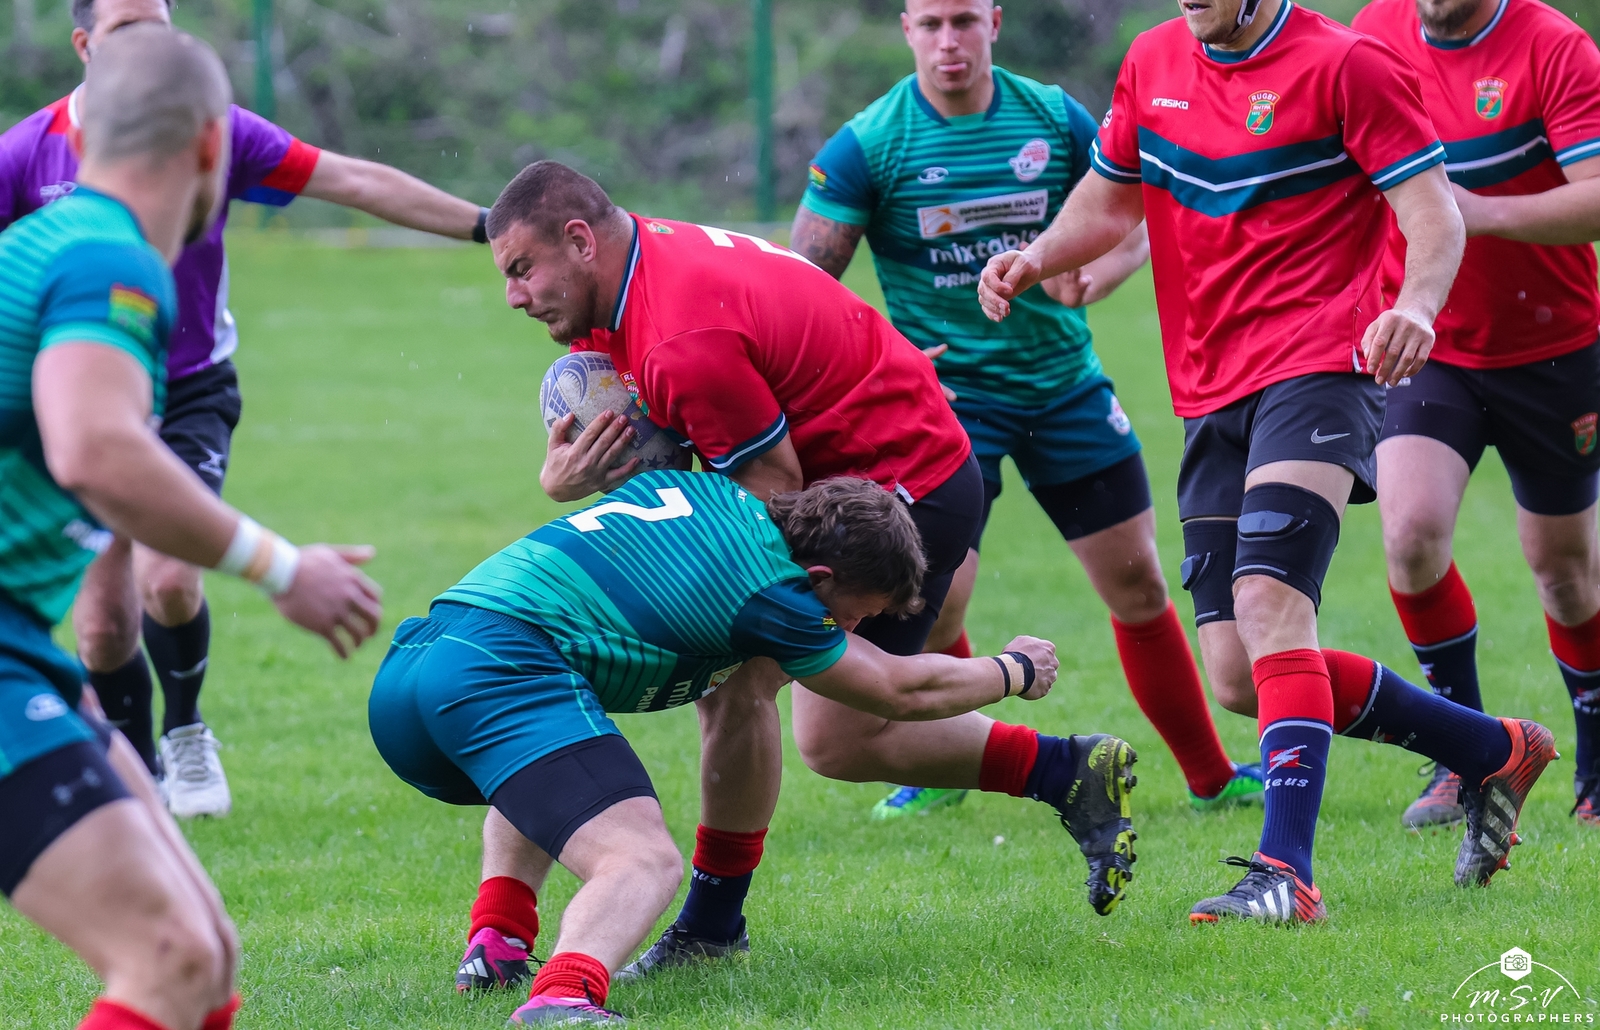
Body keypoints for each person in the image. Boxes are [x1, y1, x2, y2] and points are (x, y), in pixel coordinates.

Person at [472, 160, 1140, 985]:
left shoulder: (679, 339)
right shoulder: (624, 286)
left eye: (522, 268)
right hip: (867, 473)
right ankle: (1067, 771)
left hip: (901, 490)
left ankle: (712, 927)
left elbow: (769, 486)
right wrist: (580, 478)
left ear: (580, 240)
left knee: (757, 692)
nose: (514, 295)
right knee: (829, 732)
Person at [977, 0, 1557, 922]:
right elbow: (1111, 196)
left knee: (1269, 602)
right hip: (1209, 387)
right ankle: (1494, 750)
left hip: (1322, 367)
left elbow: (1433, 213)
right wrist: (1036, 256)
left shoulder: (1348, 65)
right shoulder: (1153, 60)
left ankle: (1286, 875)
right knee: (1240, 675)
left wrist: (1414, 306)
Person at [370, 470, 1135, 1025]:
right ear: (819, 575)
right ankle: (563, 997)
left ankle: (499, 942)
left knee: (555, 768)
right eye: (853, 615)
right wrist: (1013, 670)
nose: (849, 631)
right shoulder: (774, 593)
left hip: (416, 669)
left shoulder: (710, 491)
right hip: (499, 670)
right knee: (642, 859)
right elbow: (895, 691)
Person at [0, 0, 484, 819]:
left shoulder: (100, 227)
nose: (149, 45)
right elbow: (93, 448)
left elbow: (354, 179)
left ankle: (169, 753)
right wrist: (282, 569)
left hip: (183, 391)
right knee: (103, 629)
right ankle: (135, 787)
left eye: (160, 27)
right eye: (127, 31)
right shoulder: (91, 237)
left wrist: (488, 226)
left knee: (166, 578)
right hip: (78, 443)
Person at [792, 0, 1263, 820]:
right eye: (932, 24)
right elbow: (800, 290)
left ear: (995, 23)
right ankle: (944, 759)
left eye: (964, 21)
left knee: (1140, 585)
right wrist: (883, 358)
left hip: (1064, 386)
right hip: (946, 409)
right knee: (934, 598)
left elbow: (1142, 203)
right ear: (906, 29)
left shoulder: (1051, 117)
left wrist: (1107, 269)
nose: (949, 41)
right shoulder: (870, 143)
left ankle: (1210, 777)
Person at [0, 26, 382, 1030]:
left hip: (23, 643)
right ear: (215, 145)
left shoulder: (59, 237)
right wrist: (278, 564)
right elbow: (95, 450)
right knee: (167, 955)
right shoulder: (108, 260)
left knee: (205, 954)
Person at [1353, 0, 1600, 830]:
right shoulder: (1373, 34)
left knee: (1564, 571)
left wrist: (1476, 211)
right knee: (1409, 535)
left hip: (1552, 349)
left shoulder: (1554, 47)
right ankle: (1466, 754)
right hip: (1429, 341)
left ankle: (1596, 764)